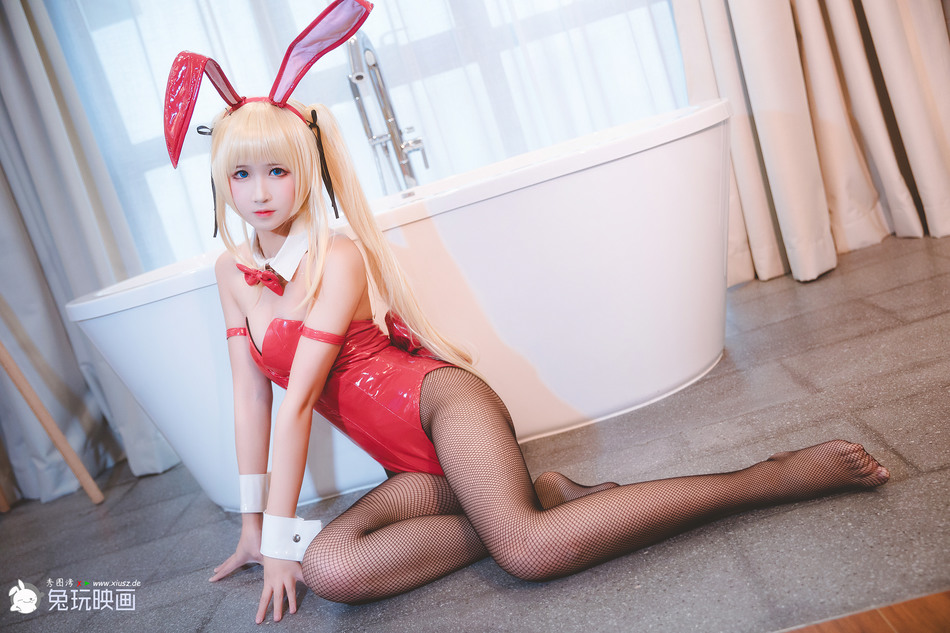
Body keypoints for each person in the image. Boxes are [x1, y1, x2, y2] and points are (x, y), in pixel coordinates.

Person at [164, 2, 890, 624]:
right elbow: (253, 400)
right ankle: (531, 498)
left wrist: (278, 540)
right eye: (242, 174)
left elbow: (297, 405)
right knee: (332, 568)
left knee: (529, 552)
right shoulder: (232, 273)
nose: (261, 192)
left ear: (306, 170)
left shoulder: (340, 255)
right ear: (222, 180)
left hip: (444, 411)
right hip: (413, 469)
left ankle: (769, 477)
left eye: (278, 170)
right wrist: (255, 530)